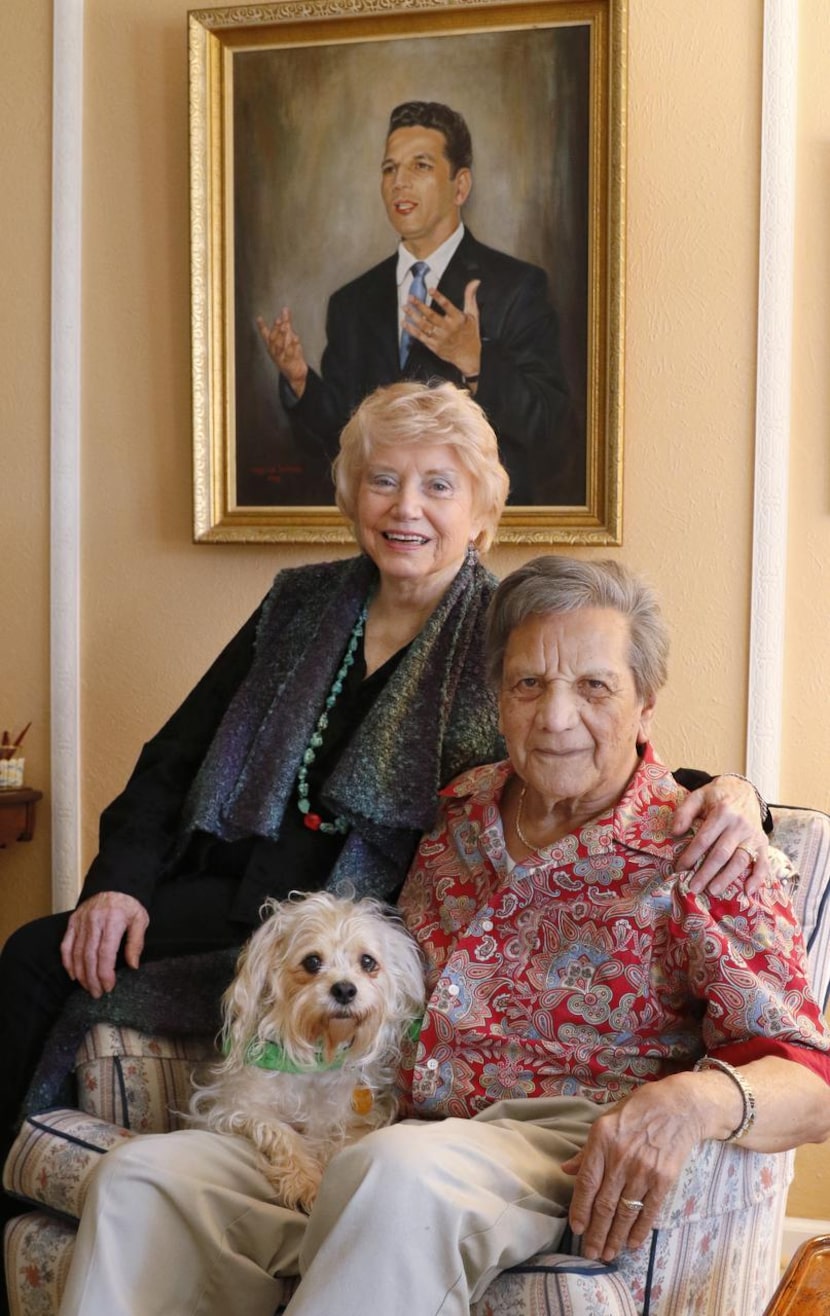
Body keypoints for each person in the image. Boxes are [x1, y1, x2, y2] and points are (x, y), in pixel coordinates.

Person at [52, 558, 802, 1316]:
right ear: (498, 700)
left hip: (550, 1144)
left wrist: (692, 1102)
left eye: (595, 687)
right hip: (381, 1132)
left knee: (391, 1174)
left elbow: (809, 1075)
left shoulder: (706, 849)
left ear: (646, 705)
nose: (556, 716)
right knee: (141, 1182)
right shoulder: (453, 812)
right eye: (528, 685)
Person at [258, 101, 573, 504]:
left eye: (419, 166)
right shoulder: (351, 302)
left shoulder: (517, 286)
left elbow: (552, 428)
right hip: (381, 532)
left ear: (460, 186)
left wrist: (477, 361)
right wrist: (300, 381)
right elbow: (343, 433)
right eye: (390, 169)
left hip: (479, 534)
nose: (399, 183)